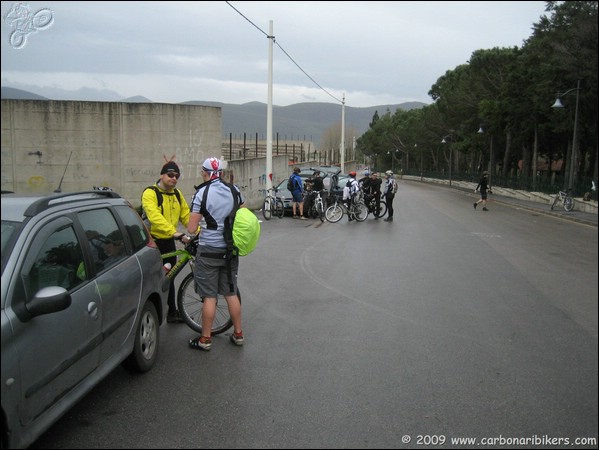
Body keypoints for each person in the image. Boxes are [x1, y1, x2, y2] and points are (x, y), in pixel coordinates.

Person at [186, 157, 244, 351]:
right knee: (230, 292)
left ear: (205, 173)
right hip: (230, 250)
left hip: (209, 250)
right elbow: (244, 219)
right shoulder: (235, 191)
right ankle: (238, 334)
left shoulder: (201, 193)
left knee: (210, 296)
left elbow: (192, 227)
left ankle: (205, 339)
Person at [142, 161, 194, 323]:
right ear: (162, 175)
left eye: (177, 176)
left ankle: (172, 312)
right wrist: (176, 233)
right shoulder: (150, 193)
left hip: (169, 242)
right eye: (170, 175)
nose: (174, 178)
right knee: (154, 279)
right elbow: (155, 218)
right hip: (152, 243)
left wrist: (198, 232)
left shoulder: (177, 194)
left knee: (169, 277)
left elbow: (186, 216)